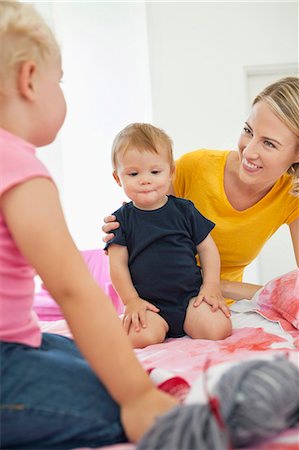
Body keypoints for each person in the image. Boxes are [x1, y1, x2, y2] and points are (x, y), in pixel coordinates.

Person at [0, 2, 177, 449]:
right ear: (29, 79)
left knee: (91, 358)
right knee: (120, 401)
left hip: (15, 339)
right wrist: (136, 397)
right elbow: (74, 291)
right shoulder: (18, 168)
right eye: (59, 82)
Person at [103, 77, 299, 304]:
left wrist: (219, 285)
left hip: (219, 308)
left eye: (269, 143)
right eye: (248, 130)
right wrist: (122, 232)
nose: (249, 150)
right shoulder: (194, 167)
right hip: (158, 304)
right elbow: (147, 234)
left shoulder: (291, 196)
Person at [105, 123, 232, 349]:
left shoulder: (185, 210)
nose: (145, 179)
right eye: (133, 173)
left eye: (155, 172)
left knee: (218, 328)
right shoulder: (120, 221)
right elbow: (117, 265)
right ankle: (151, 326)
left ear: (171, 172)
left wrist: (211, 285)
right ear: (118, 178)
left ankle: (194, 321)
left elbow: (207, 249)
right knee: (139, 337)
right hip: (149, 306)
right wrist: (131, 301)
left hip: (190, 300)